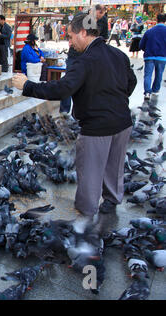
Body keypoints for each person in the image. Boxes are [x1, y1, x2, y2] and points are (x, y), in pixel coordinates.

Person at [12, 13, 137, 217]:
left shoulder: (84, 61)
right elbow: (131, 83)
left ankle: (87, 210)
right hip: (123, 122)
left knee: (89, 171)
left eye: (71, 36)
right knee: (115, 166)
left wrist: (27, 86)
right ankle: (112, 200)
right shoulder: (118, 55)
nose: (69, 42)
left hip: (96, 127)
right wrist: (114, 100)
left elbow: (62, 89)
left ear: (84, 32)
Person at [139, 13, 166, 100]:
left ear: (156, 20)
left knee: (148, 75)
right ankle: (155, 90)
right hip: (162, 57)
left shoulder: (149, 31)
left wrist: (146, 50)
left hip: (149, 56)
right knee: (159, 74)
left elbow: (141, 45)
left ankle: (147, 92)